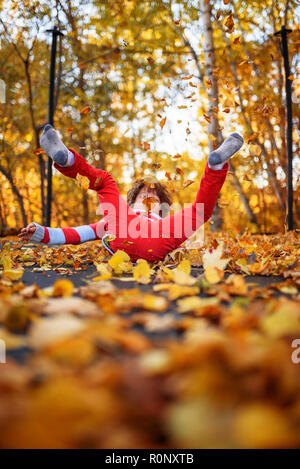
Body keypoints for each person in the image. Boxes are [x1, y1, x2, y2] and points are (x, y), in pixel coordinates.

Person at [18, 125, 243, 262]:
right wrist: (41, 233)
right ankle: (65, 157)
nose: (148, 198)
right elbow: (76, 234)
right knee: (104, 181)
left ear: (163, 208)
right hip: (124, 233)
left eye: (154, 199)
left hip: (159, 237)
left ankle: (215, 165)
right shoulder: (116, 220)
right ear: (130, 204)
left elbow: (188, 238)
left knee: (198, 212)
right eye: (142, 196)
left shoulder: (166, 224)